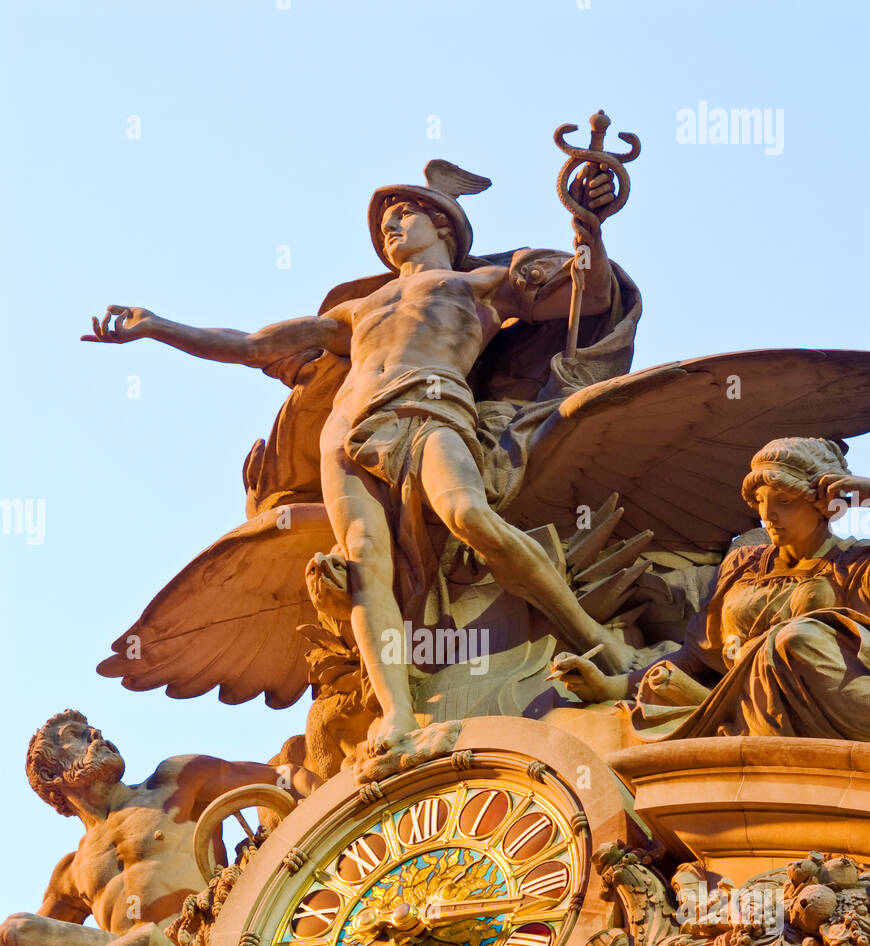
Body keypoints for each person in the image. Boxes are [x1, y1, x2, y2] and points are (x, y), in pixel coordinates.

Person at [83, 163, 629, 771]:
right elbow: (252, 345)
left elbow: (591, 294)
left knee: (468, 514)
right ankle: (396, 711)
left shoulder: (481, 286)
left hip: (430, 403)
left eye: (403, 214)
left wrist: (589, 228)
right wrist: (157, 327)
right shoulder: (357, 309)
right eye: (383, 222)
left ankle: (594, 637)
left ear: (442, 224)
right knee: (364, 561)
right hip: (347, 428)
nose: (391, 227)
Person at [550, 437, 870, 740]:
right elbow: (697, 658)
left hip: (833, 710)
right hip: (744, 707)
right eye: (760, 501)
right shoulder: (742, 564)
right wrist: (609, 686)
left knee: (796, 638)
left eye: (784, 501)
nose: (767, 515)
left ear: (826, 506)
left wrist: (867, 494)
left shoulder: (856, 564)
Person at [0, 710, 318, 946]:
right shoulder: (71, 871)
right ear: (49, 773)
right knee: (13, 939)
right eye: (77, 735)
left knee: (17, 930)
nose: (95, 734)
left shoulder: (173, 781)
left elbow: (284, 777)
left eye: (91, 729)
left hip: (201, 944)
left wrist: (347, 801)